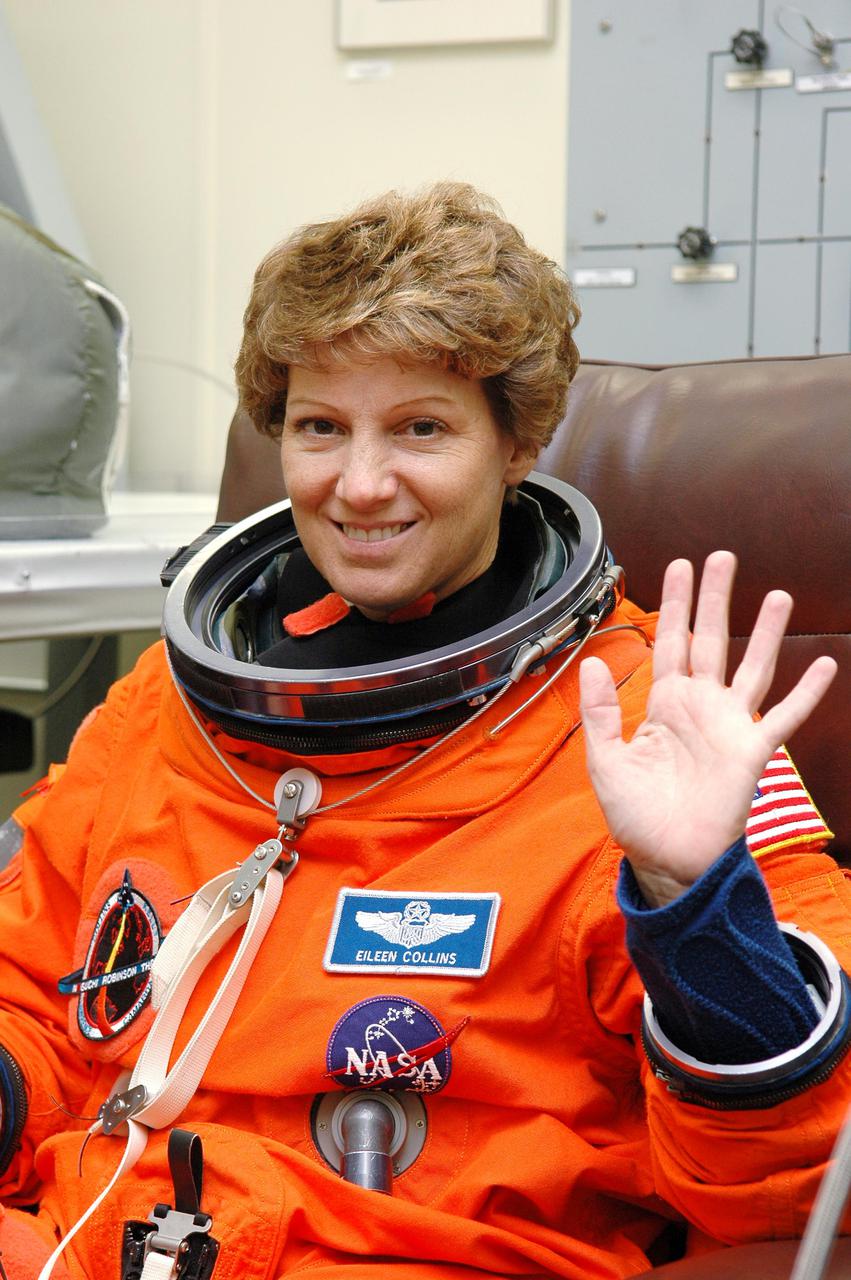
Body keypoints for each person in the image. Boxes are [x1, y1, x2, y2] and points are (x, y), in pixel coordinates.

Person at [1, 181, 848, 1280]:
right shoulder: (170, 703)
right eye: (318, 427)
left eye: (419, 427)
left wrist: (695, 911)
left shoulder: (647, 740)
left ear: (517, 441)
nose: (358, 485)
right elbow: (34, 992)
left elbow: (789, 1183)